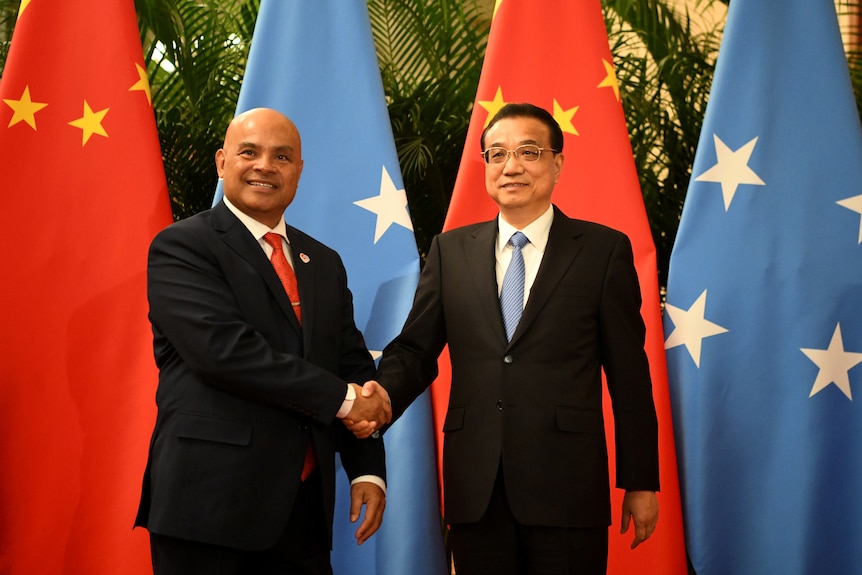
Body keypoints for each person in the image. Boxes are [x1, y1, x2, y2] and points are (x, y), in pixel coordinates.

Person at [350, 103, 660, 575]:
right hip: (477, 488)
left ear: (557, 163)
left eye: (528, 152)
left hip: (567, 487)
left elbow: (629, 375)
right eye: (496, 154)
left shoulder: (602, 251)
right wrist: (382, 394)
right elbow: (415, 348)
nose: (510, 166)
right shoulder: (450, 251)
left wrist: (640, 480)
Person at [135, 107, 393, 575]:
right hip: (209, 509)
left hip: (303, 513)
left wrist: (366, 467)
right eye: (249, 152)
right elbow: (225, 354)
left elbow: (351, 364)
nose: (264, 166)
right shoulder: (183, 246)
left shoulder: (324, 262)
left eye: (282, 156)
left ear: (298, 170)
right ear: (221, 162)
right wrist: (346, 400)